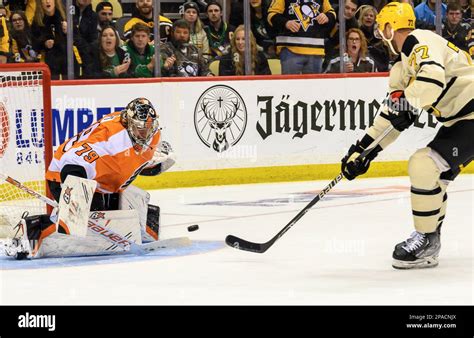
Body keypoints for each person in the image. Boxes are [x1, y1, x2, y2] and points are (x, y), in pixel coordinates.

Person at [340, 2, 473, 269]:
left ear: (390, 27)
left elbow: (432, 79)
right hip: (460, 122)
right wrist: (363, 151)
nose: (379, 31)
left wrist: (409, 102)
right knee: (433, 178)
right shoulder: (402, 67)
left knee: (423, 164)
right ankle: (430, 240)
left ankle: (426, 238)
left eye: (381, 27)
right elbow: (392, 116)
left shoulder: (419, 41)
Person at [4, 98, 176, 259]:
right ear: (129, 123)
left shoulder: (150, 134)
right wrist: (76, 200)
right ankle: (34, 231)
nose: (146, 134)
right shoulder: (110, 138)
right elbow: (71, 161)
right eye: (141, 129)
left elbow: (133, 159)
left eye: (149, 128)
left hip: (103, 181)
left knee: (112, 221)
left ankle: (145, 226)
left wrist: (153, 165)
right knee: (87, 229)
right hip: (66, 176)